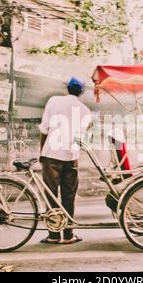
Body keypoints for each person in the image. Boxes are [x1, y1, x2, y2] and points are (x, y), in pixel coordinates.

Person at [39, 77, 92, 245]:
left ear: (66, 89)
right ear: (82, 92)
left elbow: (44, 129)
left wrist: (42, 151)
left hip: (51, 155)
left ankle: (53, 235)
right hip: (71, 156)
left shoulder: (54, 101)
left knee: (51, 195)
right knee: (68, 197)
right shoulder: (85, 111)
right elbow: (81, 137)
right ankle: (68, 235)